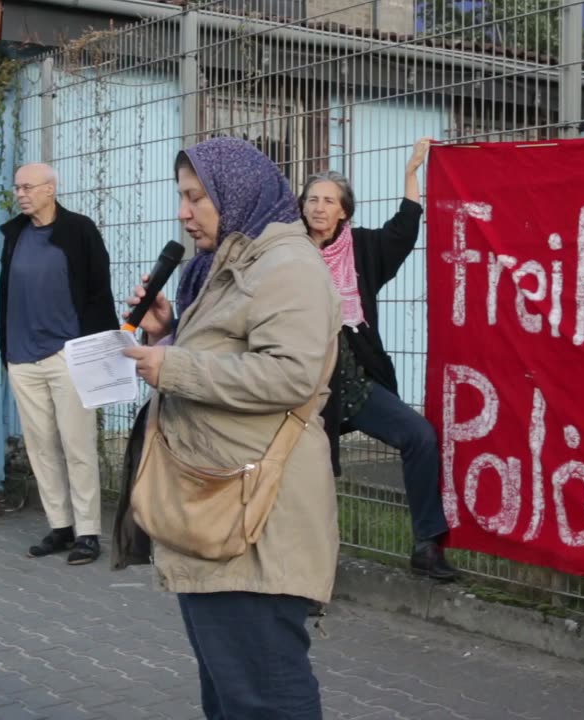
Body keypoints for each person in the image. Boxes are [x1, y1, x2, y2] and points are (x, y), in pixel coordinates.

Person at [122, 137, 341, 718]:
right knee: (232, 694)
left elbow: (290, 374)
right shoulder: (231, 263)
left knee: (265, 696)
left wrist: (172, 364)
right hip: (221, 506)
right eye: (182, 197)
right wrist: (168, 333)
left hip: (256, 518)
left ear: (235, 193)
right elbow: (227, 354)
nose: (183, 212)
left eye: (196, 197)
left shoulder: (287, 265)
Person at [297, 138, 458, 581]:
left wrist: (411, 173)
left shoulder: (363, 250)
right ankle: (307, 575)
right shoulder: (286, 255)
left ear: (344, 211)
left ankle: (427, 546)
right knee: (315, 475)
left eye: (329, 200)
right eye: (312, 199)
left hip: (356, 380)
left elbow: (404, 229)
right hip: (303, 384)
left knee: (420, 436)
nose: (319, 207)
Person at [0, 163, 117, 566]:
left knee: (77, 444)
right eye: (17, 188)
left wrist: (101, 351)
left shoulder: (79, 231)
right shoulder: (14, 235)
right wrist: (5, 349)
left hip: (67, 354)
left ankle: (88, 532)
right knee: (41, 447)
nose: (21, 194)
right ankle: (60, 526)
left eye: (28, 187)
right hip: (21, 356)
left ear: (50, 189)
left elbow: (100, 291)